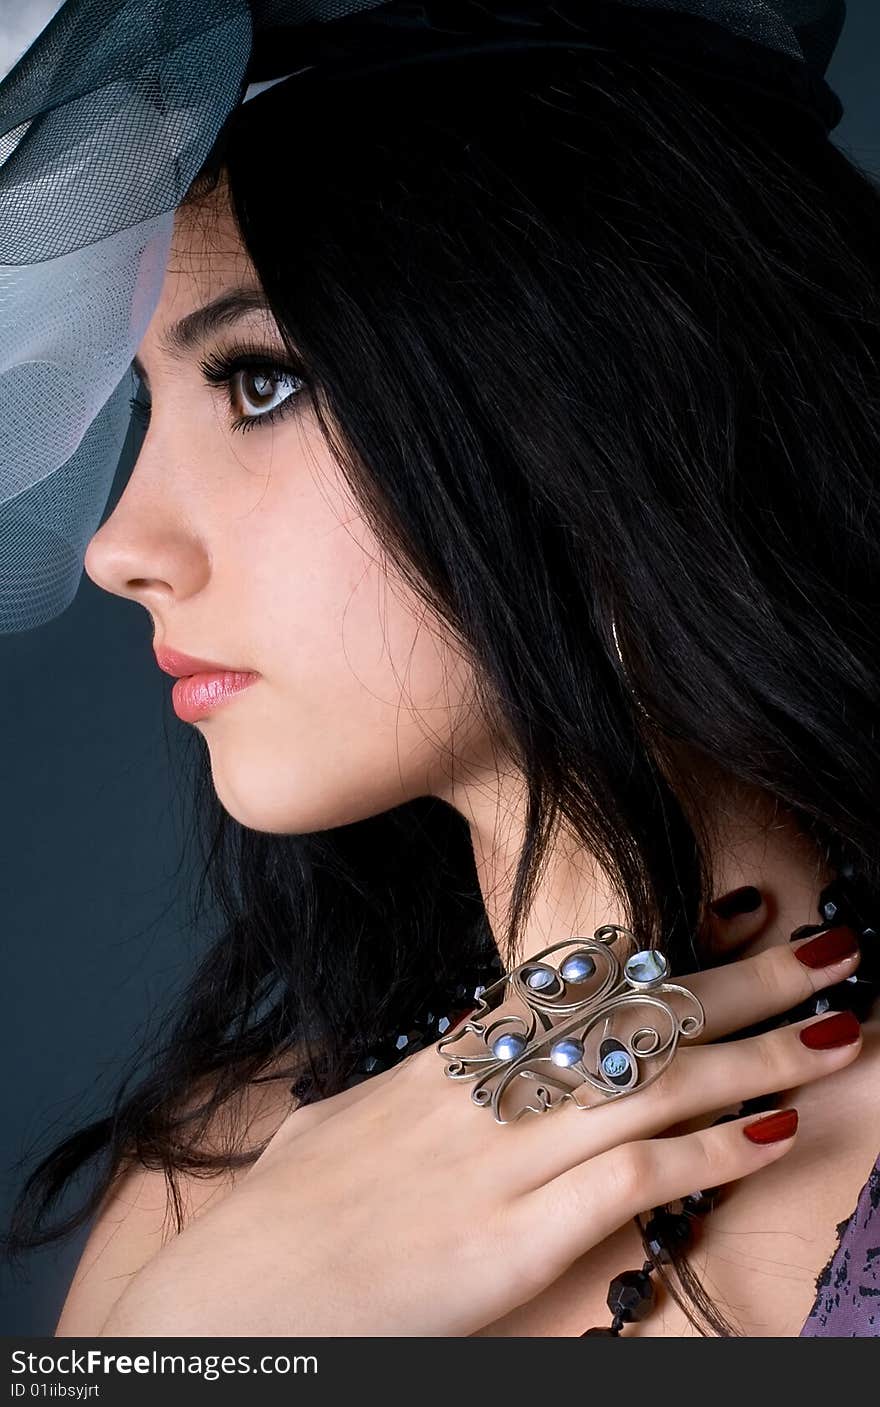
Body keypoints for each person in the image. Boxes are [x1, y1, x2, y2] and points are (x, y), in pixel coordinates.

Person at [5, 36, 880, 1338]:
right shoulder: (211, 1202)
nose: (122, 550)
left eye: (260, 380)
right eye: (139, 411)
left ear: (597, 396)